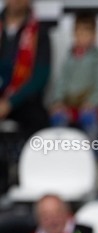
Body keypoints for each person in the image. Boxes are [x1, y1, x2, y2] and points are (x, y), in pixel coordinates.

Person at [46, 11, 98, 139]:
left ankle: (92, 153)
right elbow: (62, 80)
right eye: (78, 33)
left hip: (91, 105)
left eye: (86, 33)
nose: (81, 37)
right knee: (58, 117)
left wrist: (93, 101)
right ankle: (61, 149)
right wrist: (59, 100)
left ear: (94, 36)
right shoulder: (70, 57)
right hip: (70, 104)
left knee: (89, 120)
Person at [0, 0, 51, 133]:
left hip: (24, 102)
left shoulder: (40, 32)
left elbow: (40, 77)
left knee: (40, 124)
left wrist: (10, 103)